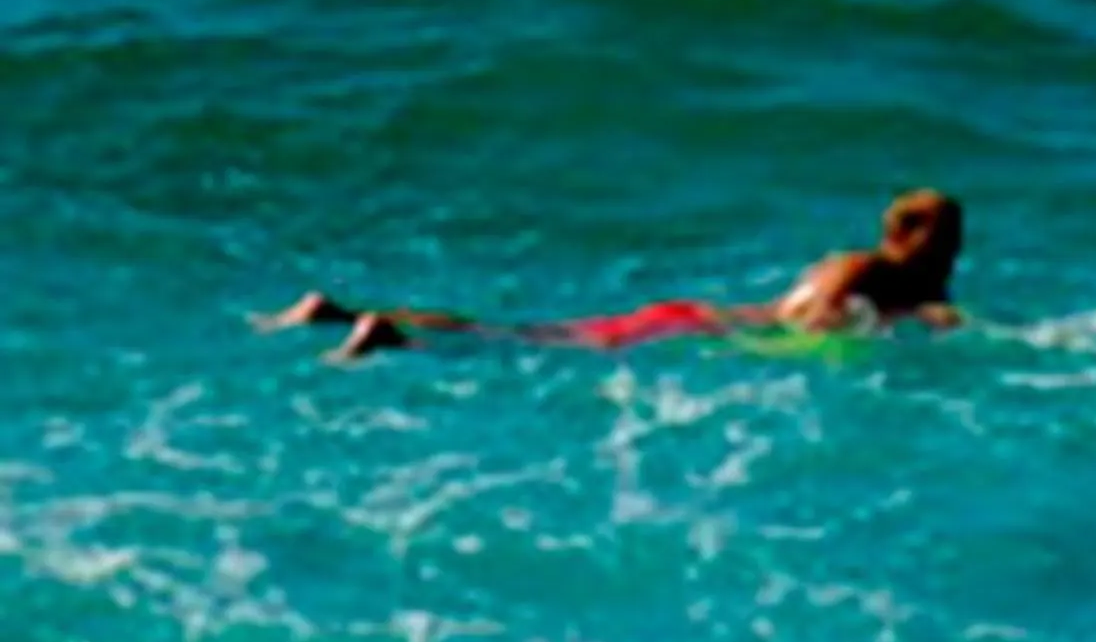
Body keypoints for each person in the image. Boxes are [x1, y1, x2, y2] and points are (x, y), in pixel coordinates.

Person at [260, 190, 966, 363]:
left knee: (535, 333)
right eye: (946, 234)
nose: (955, 248)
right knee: (536, 342)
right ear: (904, 235)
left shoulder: (885, 276)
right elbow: (821, 322)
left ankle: (335, 311)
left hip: (699, 315)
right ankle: (384, 332)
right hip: (703, 325)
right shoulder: (868, 269)